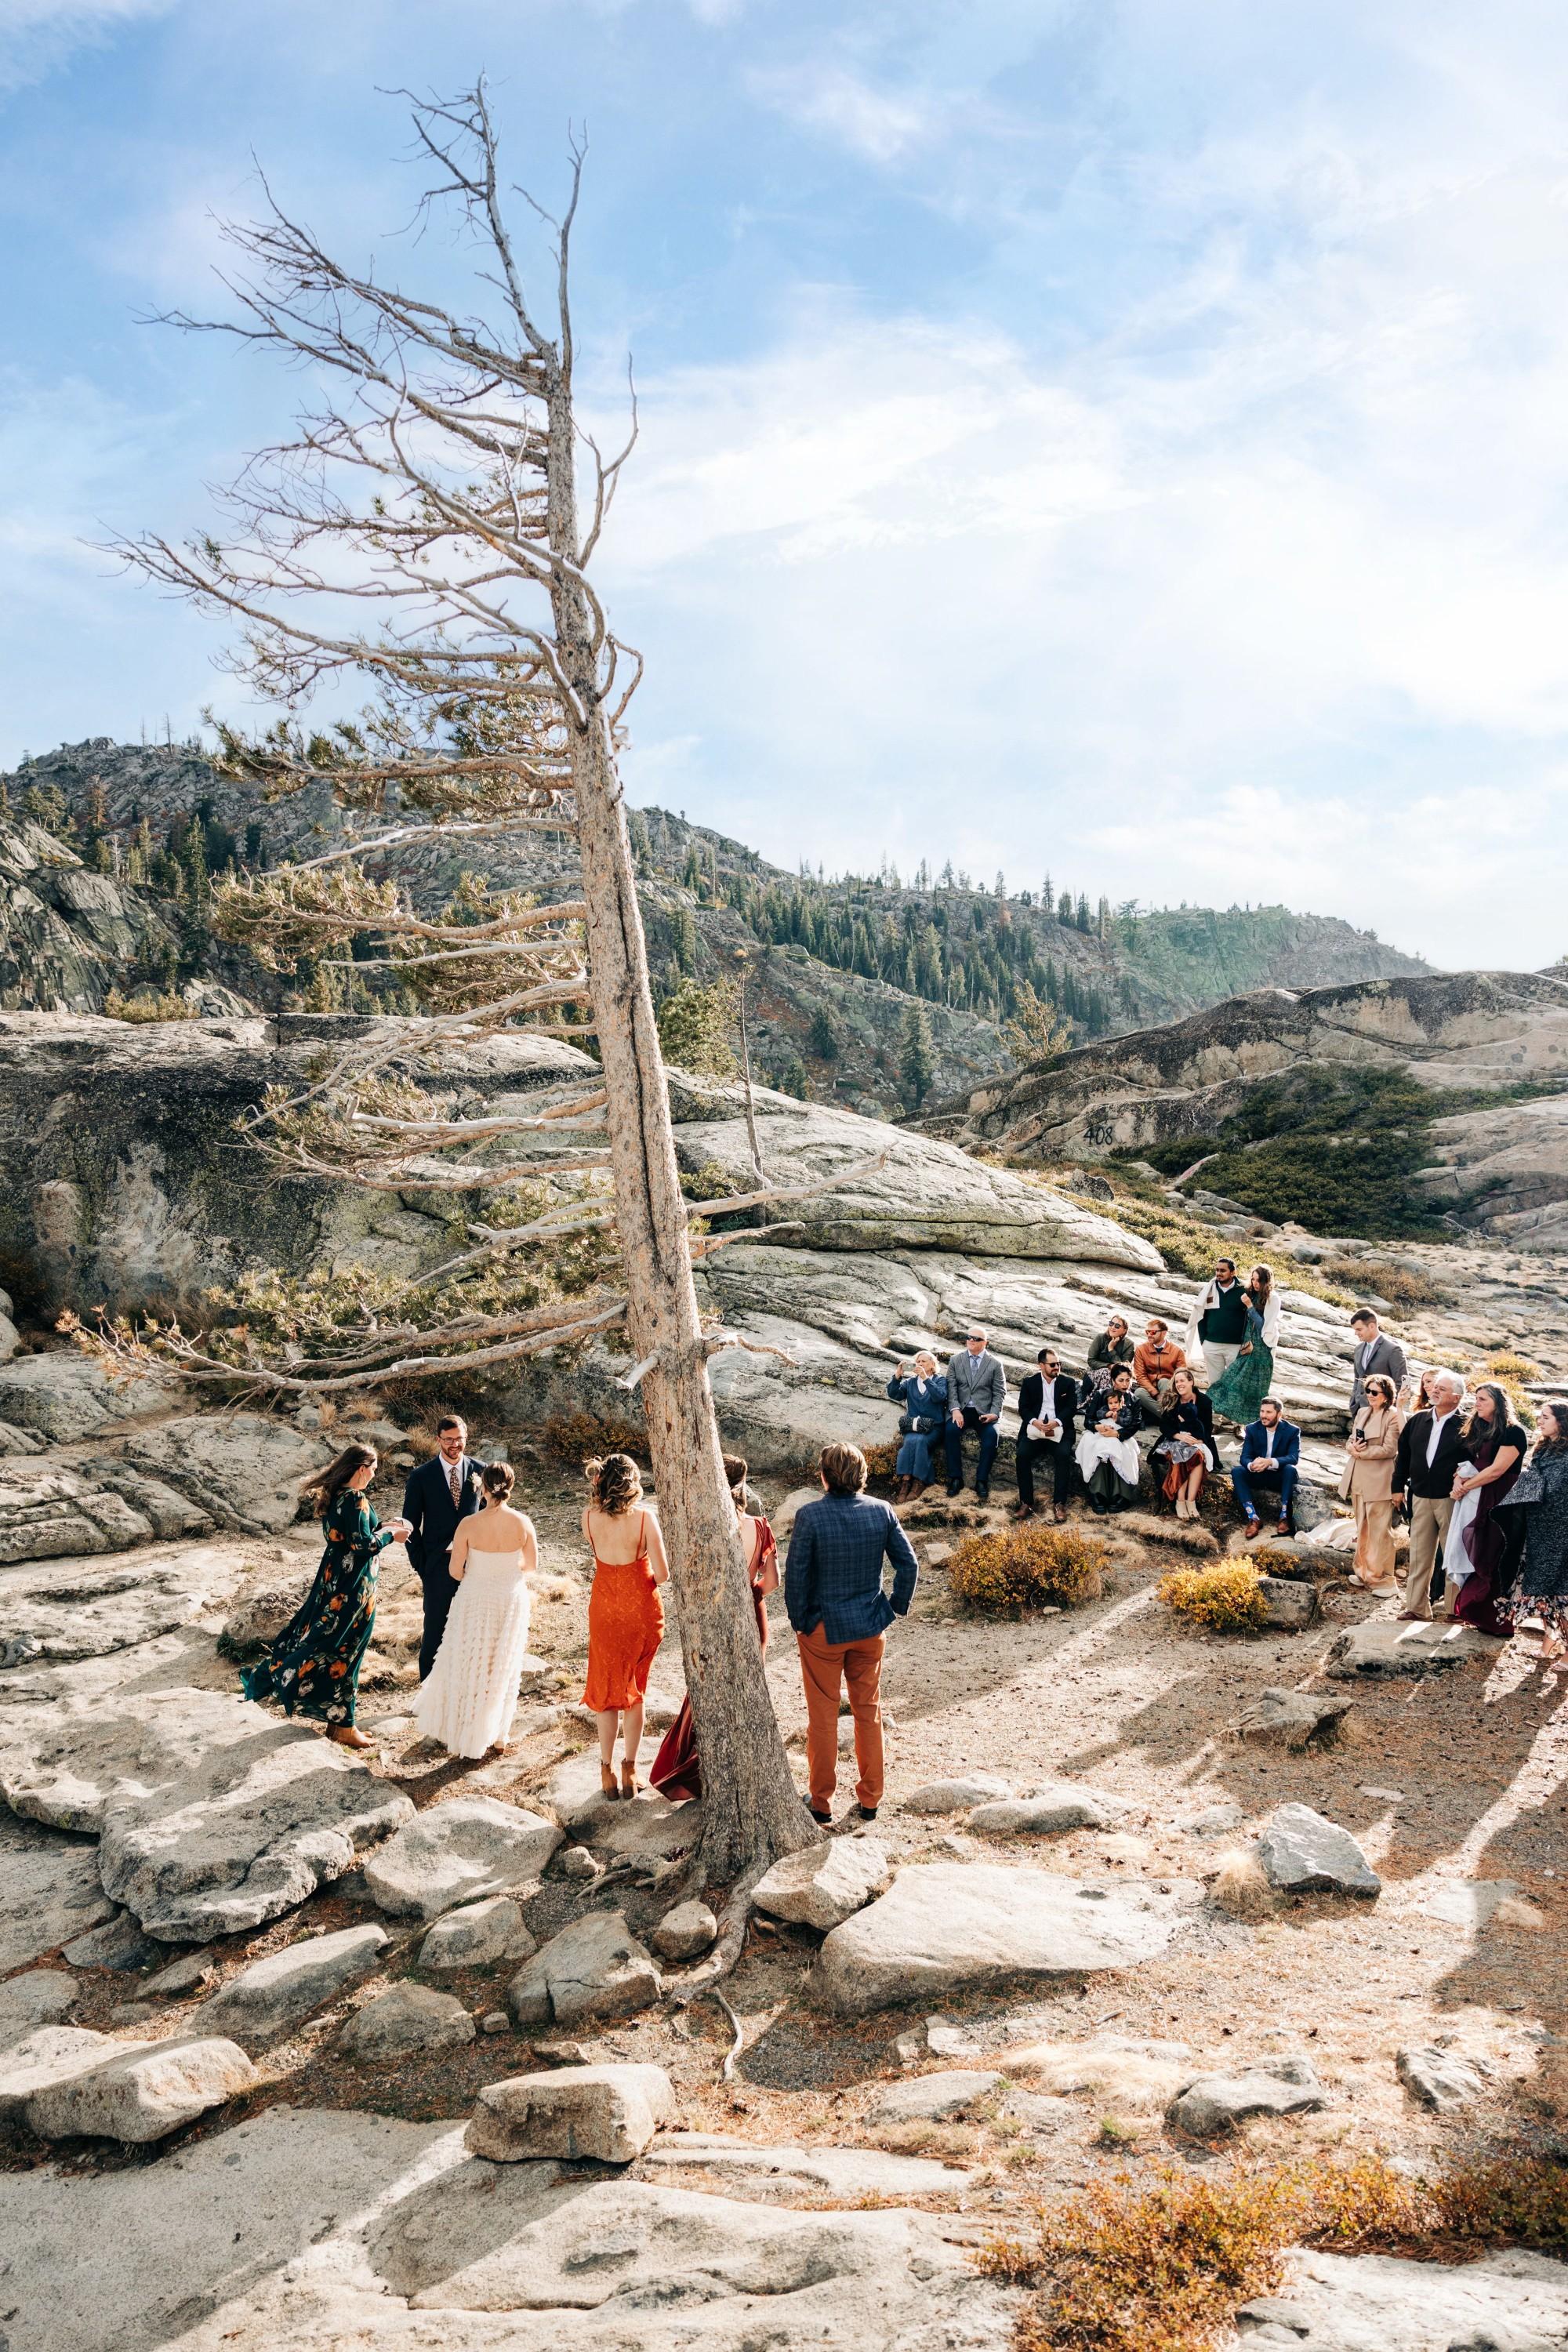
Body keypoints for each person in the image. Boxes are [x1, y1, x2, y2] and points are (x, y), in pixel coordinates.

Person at [241, 1444, 410, 1748]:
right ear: (361, 1468)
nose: (374, 1474)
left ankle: (337, 1722)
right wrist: (391, 1536)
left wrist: (381, 1525)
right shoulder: (356, 1498)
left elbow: (350, 1537)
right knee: (347, 1651)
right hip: (353, 1587)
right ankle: (343, 1726)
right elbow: (363, 1546)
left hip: (333, 1583)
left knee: (327, 1642)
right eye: (373, 1468)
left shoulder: (336, 1496)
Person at [785, 1440, 918, 1824]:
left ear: (824, 1477)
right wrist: (895, 1606)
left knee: (823, 1716)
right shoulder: (882, 1511)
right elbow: (908, 1566)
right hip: (869, 1626)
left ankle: (821, 1802)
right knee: (868, 1711)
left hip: (822, 1630)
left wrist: (800, 1623)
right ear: (862, 1476)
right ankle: (871, 1798)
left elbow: (797, 1577)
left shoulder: (810, 1516)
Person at [652, 1454, 777, 1802]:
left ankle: (692, 1768)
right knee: (747, 1690)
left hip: (714, 1614)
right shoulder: (760, 1525)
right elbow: (772, 1583)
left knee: (705, 1691)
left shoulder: (703, 1526)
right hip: (753, 1615)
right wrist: (749, 1591)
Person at [413, 1459, 536, 1759]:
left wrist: (480, 1574)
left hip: (475, 1599)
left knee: (471, 1662)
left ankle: (467, 1729)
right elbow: (531, 1565)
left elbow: (455, 1571)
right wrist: (505, 1572)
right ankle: (499, 1736)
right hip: (509, 1598)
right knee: (501, 1665)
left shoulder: (468, 1524)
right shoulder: (523, 1522)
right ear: (511, 1486)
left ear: (482, 1489)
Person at [581, 1453, 670, 1798]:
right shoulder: (647, 1519)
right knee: (635, 1691)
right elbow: (662, 1575)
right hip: (641, 1613)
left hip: (604, 1609)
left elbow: (600, 1555)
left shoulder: (588, 1517)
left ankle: (605, 1770)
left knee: (606, 1693)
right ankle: (630, 1769)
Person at [402, 1415, 487, 1680]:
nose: (455, 1445)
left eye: (459, 1439)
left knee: (473, 1626)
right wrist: (422, 1564)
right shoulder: (421, 1476)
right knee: (435, 1627)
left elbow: (489, 1515)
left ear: (466, 1438)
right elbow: (410, 1525)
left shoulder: (481, 1470)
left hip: (474, 1564)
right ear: (438, 1439)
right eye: (449, 1440)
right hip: (438, 1565)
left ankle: (466, 1682)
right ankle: (428, 1689)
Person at [1446, 1382, 1526, 1635]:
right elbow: (1466, 1461)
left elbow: (1497, 1470)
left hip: (1500, 1500)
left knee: (1494, 1554)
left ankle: (1498, 1621)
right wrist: (1458, 1481)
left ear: (1498, 1403)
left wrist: (1465, 1487)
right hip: (1476, 1495)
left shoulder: (1513, 1432)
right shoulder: (1479, 1427)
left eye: (1483, 1399)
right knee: (1477, 1548)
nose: (1476, 1403)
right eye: (1476, 1398)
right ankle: (1478, 1616)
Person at [1392, 1370, 1468, 1622]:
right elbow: (1403, 1456)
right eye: (1434, 1387)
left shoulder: (1468, 1425)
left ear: (1456, 1397)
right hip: (1420, 1496)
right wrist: (1396, 1488)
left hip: (1452, 1500)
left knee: (1453, 1556)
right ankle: (1416, 1608)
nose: (1434, 1391)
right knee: (1420, 1555)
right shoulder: (1418, 1420)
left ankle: (1454, 1611)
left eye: (1442, 1389)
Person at [1497, 1404, 1568, 1668]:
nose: (1539, 1421)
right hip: (1538, 1529)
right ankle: (1549, 1642)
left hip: (1561, 1534)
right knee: (1543, 1589)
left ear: (1561, 1422)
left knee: (1562, 1591)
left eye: (1545, 1417)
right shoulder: (1543, 1449)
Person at [1345, 1373, 1403, 1592]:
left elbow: (1390, 1449)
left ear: (1387, 1395)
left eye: (1375, 1392)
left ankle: (1383, 1579)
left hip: (1380, 1479)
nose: (1370, 1395)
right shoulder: (1362, 1412)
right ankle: (1363, 1572)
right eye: (1367, 1391)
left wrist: (1362, 1453)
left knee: (1380, 1531)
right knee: (1363, 1528)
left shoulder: (1394, 1416)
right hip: (1358, 1477)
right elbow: (1351, 1440)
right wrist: (1352, 1448)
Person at [1209, 1265, 1281, 1427]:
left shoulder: (1272, 1298)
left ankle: (1245, 1427)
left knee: (1254, 1389)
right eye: (1253, 1279)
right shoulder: (1252, 1293)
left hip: (1262, 1349)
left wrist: (1249, 1306)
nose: (1255, 1283)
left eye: (1259, 1280)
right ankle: (1224, 1420)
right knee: (1232, 1380)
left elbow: (1264, 1326)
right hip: (1247, 1346)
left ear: (1267, 1281)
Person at [1014, 1346, 1079, 1522]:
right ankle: (1026, 1503)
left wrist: (1056, 1422)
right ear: (1041, 1365)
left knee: (1063, 1456)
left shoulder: (1068, 1383)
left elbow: (1071, 1408)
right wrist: (1034, 1422)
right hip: (1035, 1430)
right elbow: (1024, 1408)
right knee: (1022, 1456)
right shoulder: (1029, 1382)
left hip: (1059, 1429)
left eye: (1058, 1363)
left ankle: (1059, 1504)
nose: (1056, 1367)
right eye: (1052, 1364)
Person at [945, 1327, 1007, 1501]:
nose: (971, 1340)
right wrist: (955, 1409)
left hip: (984, 1412)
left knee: (991, 1437)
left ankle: (981, 1480)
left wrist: (994, 1414)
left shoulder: (995, 1364)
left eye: (976, 1338)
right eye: (969, 1337)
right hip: (961, 1410)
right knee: (950, 1432)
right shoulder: (955, 1360)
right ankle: (956, 1478)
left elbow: (1000, 1391)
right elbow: (951, 1388)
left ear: (985, 1343)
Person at [1074, 1365, 1142, 1513]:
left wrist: (1118, 1435)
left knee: (1122, 1451)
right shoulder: (1100, 1394)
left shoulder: (1134, 1400)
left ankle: (1122, 1495)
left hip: (1121, 1435)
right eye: (1121, 1380)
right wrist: (1098, 1427)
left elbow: (1135, 1424)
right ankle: (1098, 1493)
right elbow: (1088, 1420)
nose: (1125, 1384)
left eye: (1128, 1380)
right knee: (1099, 1449)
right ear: (1113, 1380)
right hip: (1101, 1432)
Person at [1230, 1396, 1301, 1537]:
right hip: (1258, 1475)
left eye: (1268, 1412)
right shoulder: (1252, 1428)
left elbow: (1294, 1457)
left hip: (1278, 1477)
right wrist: (1252, 1465)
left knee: (1290, 1470)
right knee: (1237, 1471)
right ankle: (1253, 1519)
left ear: (1279, 1414)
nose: (1264, 1415)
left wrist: (1270, 1462)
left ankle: (1284, 1517)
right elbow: (1245, 1457)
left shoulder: (1292, 1431)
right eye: (1262, 1411)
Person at [1152, 1367, 1217, 1520]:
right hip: (1173, 1440)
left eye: (1182, 1381)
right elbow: (1164, 1426)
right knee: (1182, 1456)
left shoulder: (1204, 1402)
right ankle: (1180, 1501)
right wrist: (1178, 1436)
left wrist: (1199, 1441)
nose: (1179, 1384)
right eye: (1176, 1382)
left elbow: (1208, 1428)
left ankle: (1191, 1501)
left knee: (1198, 1456)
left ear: (1191, 1382)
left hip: (1197, 1441)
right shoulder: (1172, 1399)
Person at [886, 1352, 948, 1502]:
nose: (920, 1364)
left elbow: (940, 1396)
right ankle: (906, 1482)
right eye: (918, 1361)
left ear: (933, 1364)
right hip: (914, 1426)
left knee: (920, 1441)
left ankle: (919, 1482)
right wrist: (897, 1376)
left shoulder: (941, 1380)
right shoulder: (911, 1382)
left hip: (934, 1427)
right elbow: (895, 1394)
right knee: (910, 1441)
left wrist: (926, 1378)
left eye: (924, 1361)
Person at [1184, 1258, 1250, 1389]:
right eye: (1217, 1270)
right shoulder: (1209, 1289)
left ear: (1233, 1273)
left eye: (1223, 1271)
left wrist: (1246, 1341)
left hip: (1236, 1346)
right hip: (1212, 1345)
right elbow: (1201, 1316)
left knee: (1236, 1383)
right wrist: (1204, 1341)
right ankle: (1215, 1409)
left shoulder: (1244, 1290)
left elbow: (1251, 1318)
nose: (1219, 1273)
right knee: (1215, 1384)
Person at [1348, 1311, 1410, 1417]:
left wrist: (1387, 1409)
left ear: (1372, 1326)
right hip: (1358, 1411)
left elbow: (1403, 1383)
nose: (1356, 1333)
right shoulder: (1358, 1349)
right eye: (1355, 1330)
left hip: (1382, 1413)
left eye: (1359, 1329)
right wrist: (1354, 1401)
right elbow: (1357, 1378)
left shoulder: (1393, 1350)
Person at [1132, 1318, 1185, 1414]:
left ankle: (1164, 1416)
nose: (1149, 1335)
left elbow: (1182, 1376)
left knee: (1164, 1381)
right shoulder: (1141, 1349)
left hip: (1169, 1389)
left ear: (1164, 1333)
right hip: (1149, 1389)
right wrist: (1155, 1393)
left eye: (1153, 1332)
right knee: (1139, 1393)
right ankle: (1168, 1416)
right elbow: (1140, 1376)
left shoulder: (1177, 1351)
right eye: (1147, 1332)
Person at [1086, 1316, 1134, 1380]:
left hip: (1119, 1378)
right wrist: (1109, 1366)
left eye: (1117, 1326)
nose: (1112, 1327)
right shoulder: (1100, 1338)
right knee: (1106, 1372)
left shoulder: (1129, 1344)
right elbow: (1091, 1360)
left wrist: (1111, 1349)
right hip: (1094, 1373)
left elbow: (1123, 1369)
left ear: (1124, 1330)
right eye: (1111, 1324)